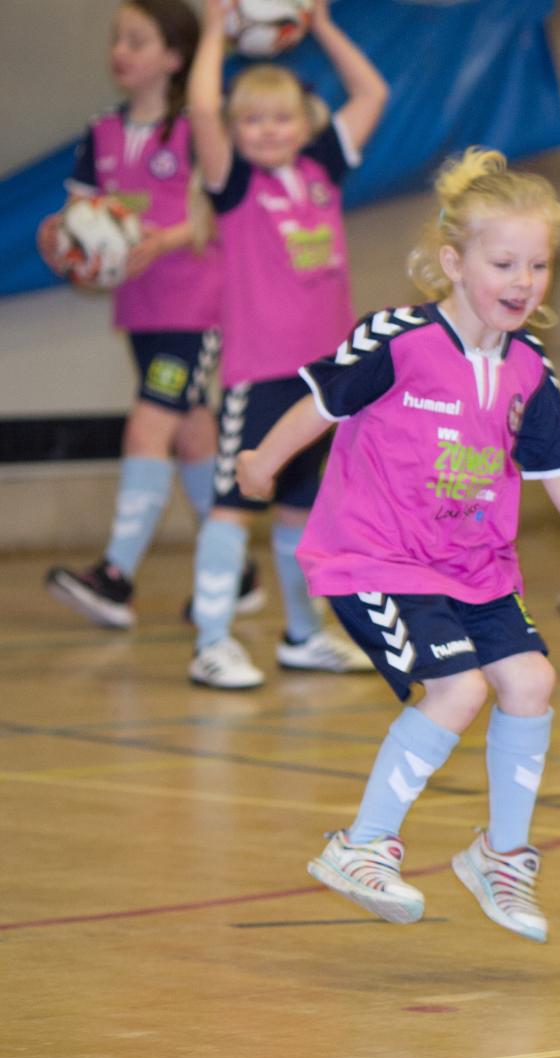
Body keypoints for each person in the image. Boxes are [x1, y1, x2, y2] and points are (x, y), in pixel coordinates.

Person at [235, 150, 560, 942]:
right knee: (456, 690)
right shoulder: (399, 339)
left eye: (539, 264)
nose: (523, 279)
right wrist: (261, 461)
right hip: (376, 557)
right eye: (504, 261)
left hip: (475, 568)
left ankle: (500, 855)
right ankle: (361, 844)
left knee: (529, 678)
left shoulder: (528, 369)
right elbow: (319, 403)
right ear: (453, 262)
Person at [182, 0, 388, 688]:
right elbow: (203, 112)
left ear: (305, 124)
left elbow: (372, 93)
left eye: (280, 117)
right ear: (235, 133)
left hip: (324, 379)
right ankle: (211, 641)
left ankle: (303, 634)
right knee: (235, 504)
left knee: (304, 511)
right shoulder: (236, 186)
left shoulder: (322, 169)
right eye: (251, 120)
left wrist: (322, 25)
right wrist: (214, 31)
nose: (266, 130)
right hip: (261, 375)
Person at [40, 0, 259, 630]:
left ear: (173, 57)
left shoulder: (198, 130)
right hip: (140, 312)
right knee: (193, 433)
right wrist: (56, 241)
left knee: (148, 428)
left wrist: (161, 240)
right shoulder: (102, 133)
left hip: (195, 311)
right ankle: (237, 573)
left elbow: (224, 209)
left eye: (138, 40)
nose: (121, 51)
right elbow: (75, 219)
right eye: (117, 39)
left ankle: (116, 576)